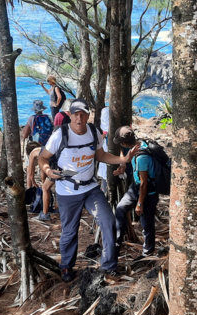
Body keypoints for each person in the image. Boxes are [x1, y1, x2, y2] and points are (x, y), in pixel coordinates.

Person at [39, 99, 139, 282]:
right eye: (76, 114)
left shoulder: (94, 132)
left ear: (88, 115)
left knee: (108, 221)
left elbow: (101, 156)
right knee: (70, 231)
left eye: (83, 114)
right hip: (67, 191)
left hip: (91, 188)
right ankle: (67, 268)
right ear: (70, 115)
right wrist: (47, 171)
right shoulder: (60, 135)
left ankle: (109, 267)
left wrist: (123, 160)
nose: (80, 118)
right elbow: (43, 158)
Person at [113, 126, 159, 257]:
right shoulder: (137, 146)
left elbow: (144, 183)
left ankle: (147, 253)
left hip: (147, 192)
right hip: (135, 187)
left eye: (121, 143)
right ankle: (117, 242)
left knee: (146, 224)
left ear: (124, 143)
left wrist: (140, 203)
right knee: (121, 208)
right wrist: (122, 167)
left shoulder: (141, 157)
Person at [25, 141, 54, 221]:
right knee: (57, 187)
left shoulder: (32, 153)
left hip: (53, 166)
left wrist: (34, 183)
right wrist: (44, 181)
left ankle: (45, 214)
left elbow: (30, 172)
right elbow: (43, 169)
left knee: (45, 189)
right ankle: (57, 208)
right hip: (57, 163)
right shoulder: (45, 148)